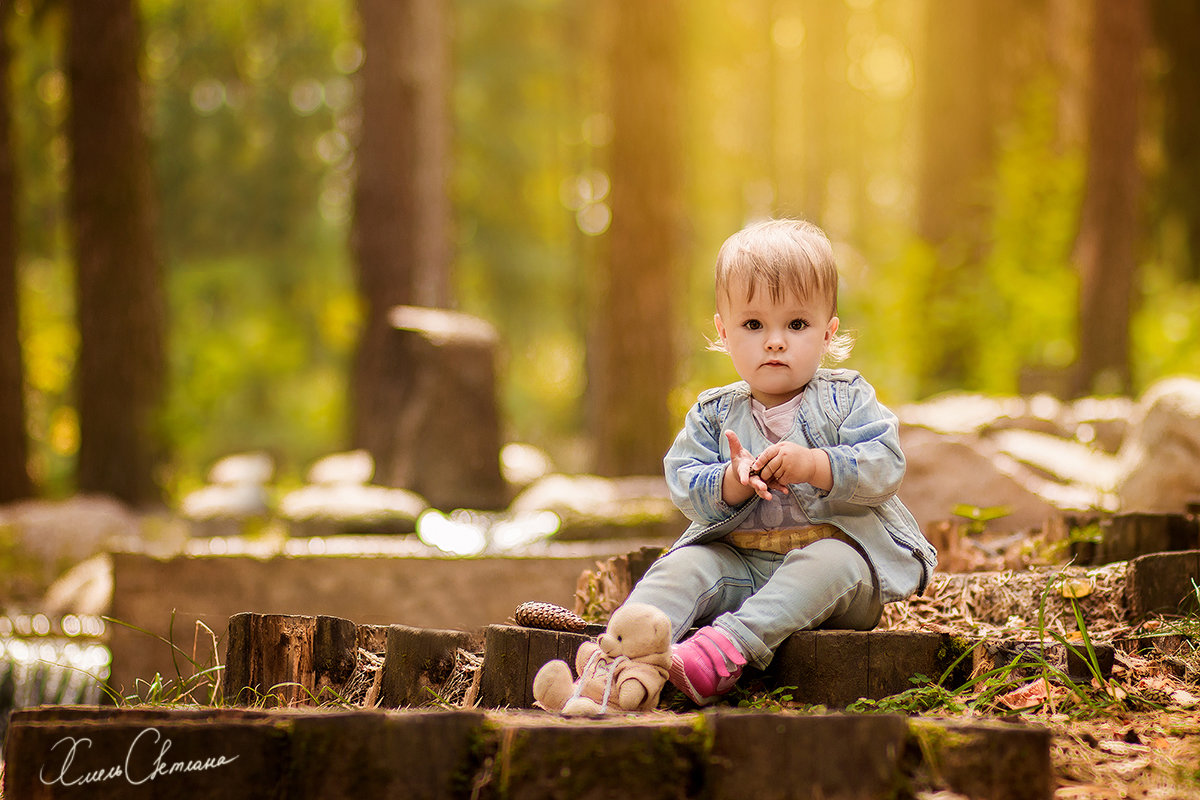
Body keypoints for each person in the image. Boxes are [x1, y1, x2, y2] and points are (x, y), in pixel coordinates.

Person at [623, 218, 938, 706]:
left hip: (839, 578)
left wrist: (815, 464)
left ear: (828, 333)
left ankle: (722, 650)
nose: (775, 340)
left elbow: (885, 465)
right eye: (754, 324)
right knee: (683, 564)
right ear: (723, 332)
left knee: (829, 561)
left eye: (796, 324)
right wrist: (731, 480)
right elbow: (684, 482)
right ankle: (620, 661)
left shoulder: (846, 398)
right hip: (741, 566)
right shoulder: (713, 413)